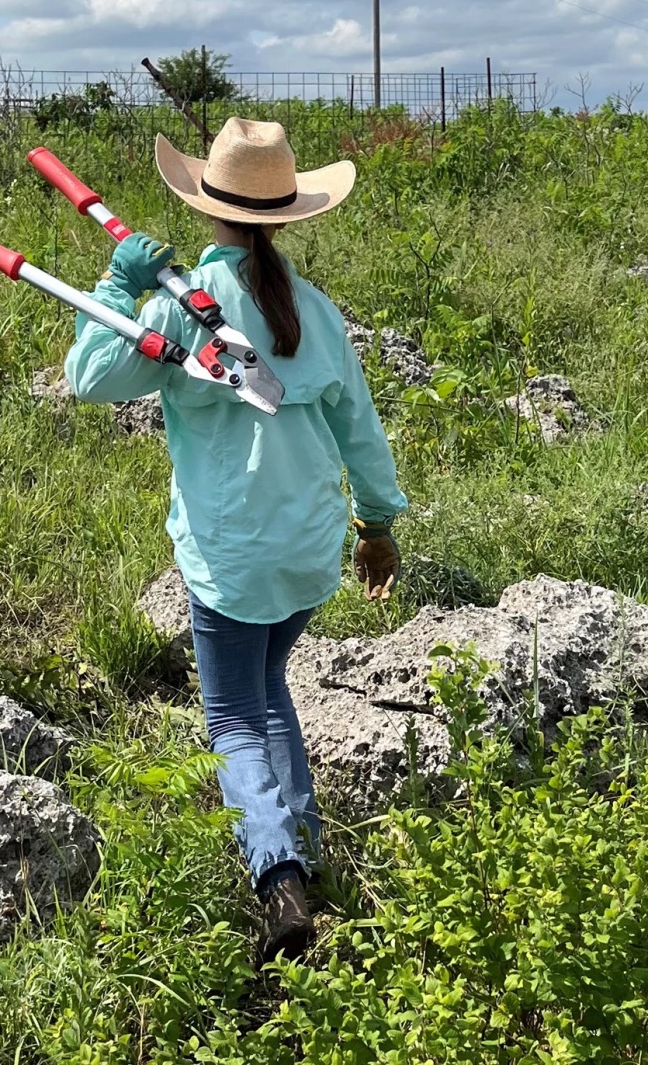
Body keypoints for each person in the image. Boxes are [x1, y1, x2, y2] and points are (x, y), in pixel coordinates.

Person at [64, 117, 407, 963]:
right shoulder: (316, 314)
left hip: (231, 554)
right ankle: (311, 850)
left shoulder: (182, 311)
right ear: (288, 214)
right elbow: (360, 429)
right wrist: (378, 526)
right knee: (269, 688)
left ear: (207, 207)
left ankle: (277, 874)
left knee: (232, 719)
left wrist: (115, 284)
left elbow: (91, 377)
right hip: (310, 548)